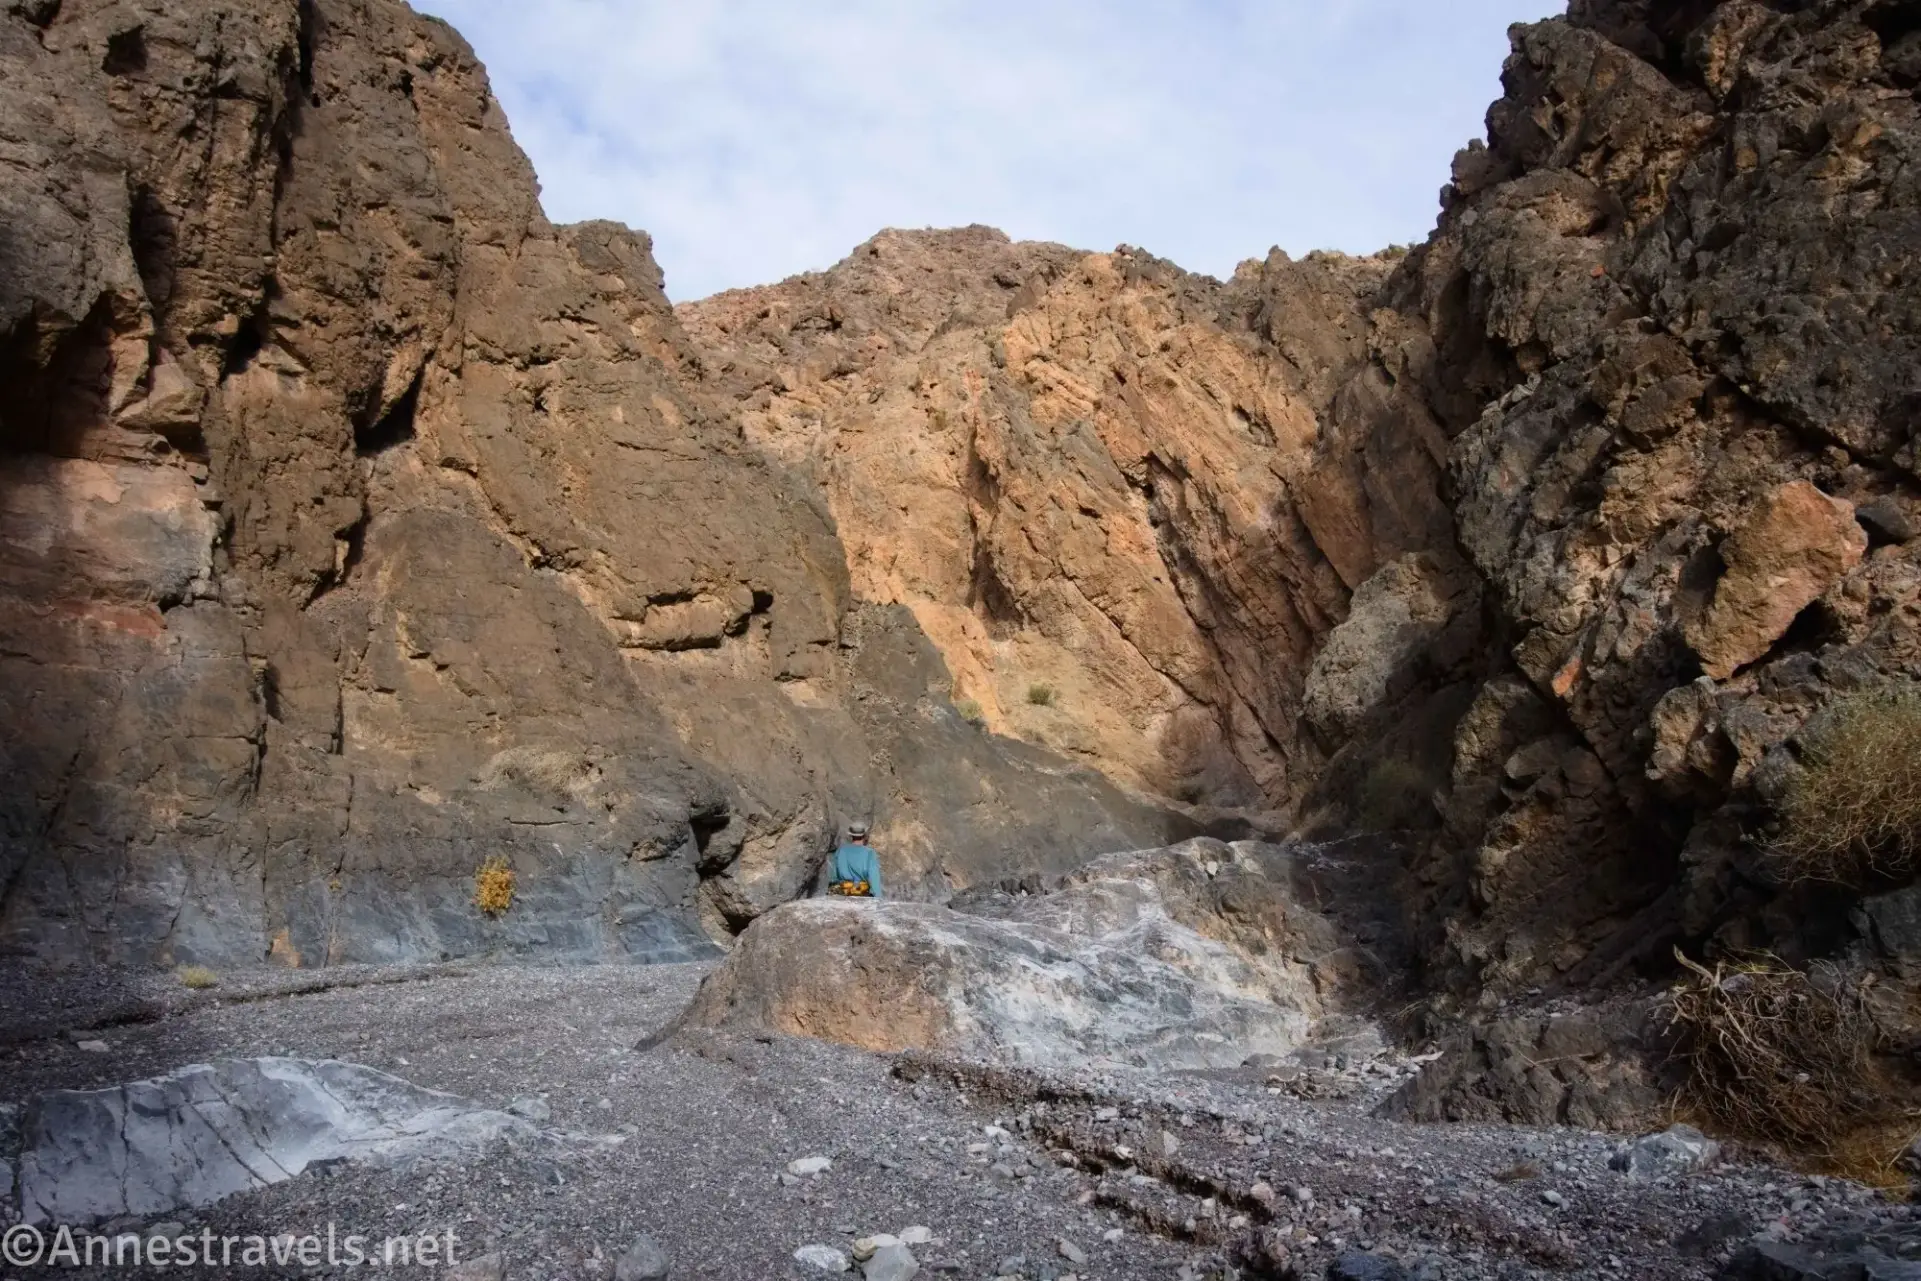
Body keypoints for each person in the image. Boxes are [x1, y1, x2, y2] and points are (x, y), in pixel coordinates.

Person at [824, 820, 884, 898]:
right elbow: (874, 878)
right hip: (862, 892)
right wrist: (878, 897)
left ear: (851, 835)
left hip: (844, 892)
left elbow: (833, 877)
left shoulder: (841, 850)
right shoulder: (870, 853)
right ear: (865, 835)